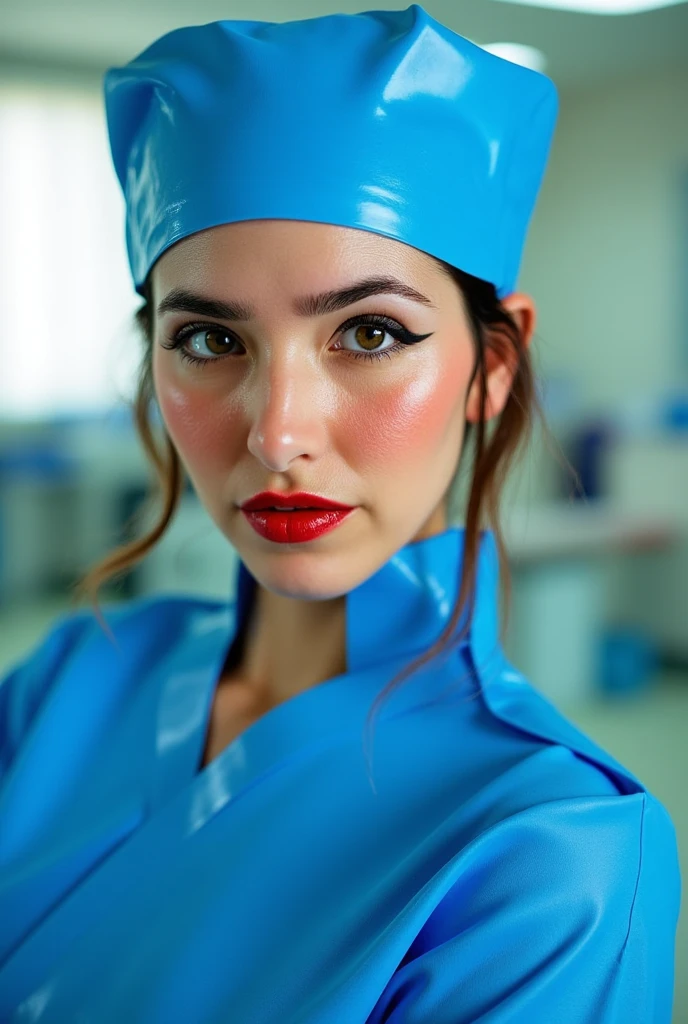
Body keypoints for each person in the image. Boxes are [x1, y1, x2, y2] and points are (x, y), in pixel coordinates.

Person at [0, 5, 681, 1021]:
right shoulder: (77, 673)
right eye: (208, 340)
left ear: (492, 363)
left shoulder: (549, 853)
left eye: (368, 332)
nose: (277, 435)